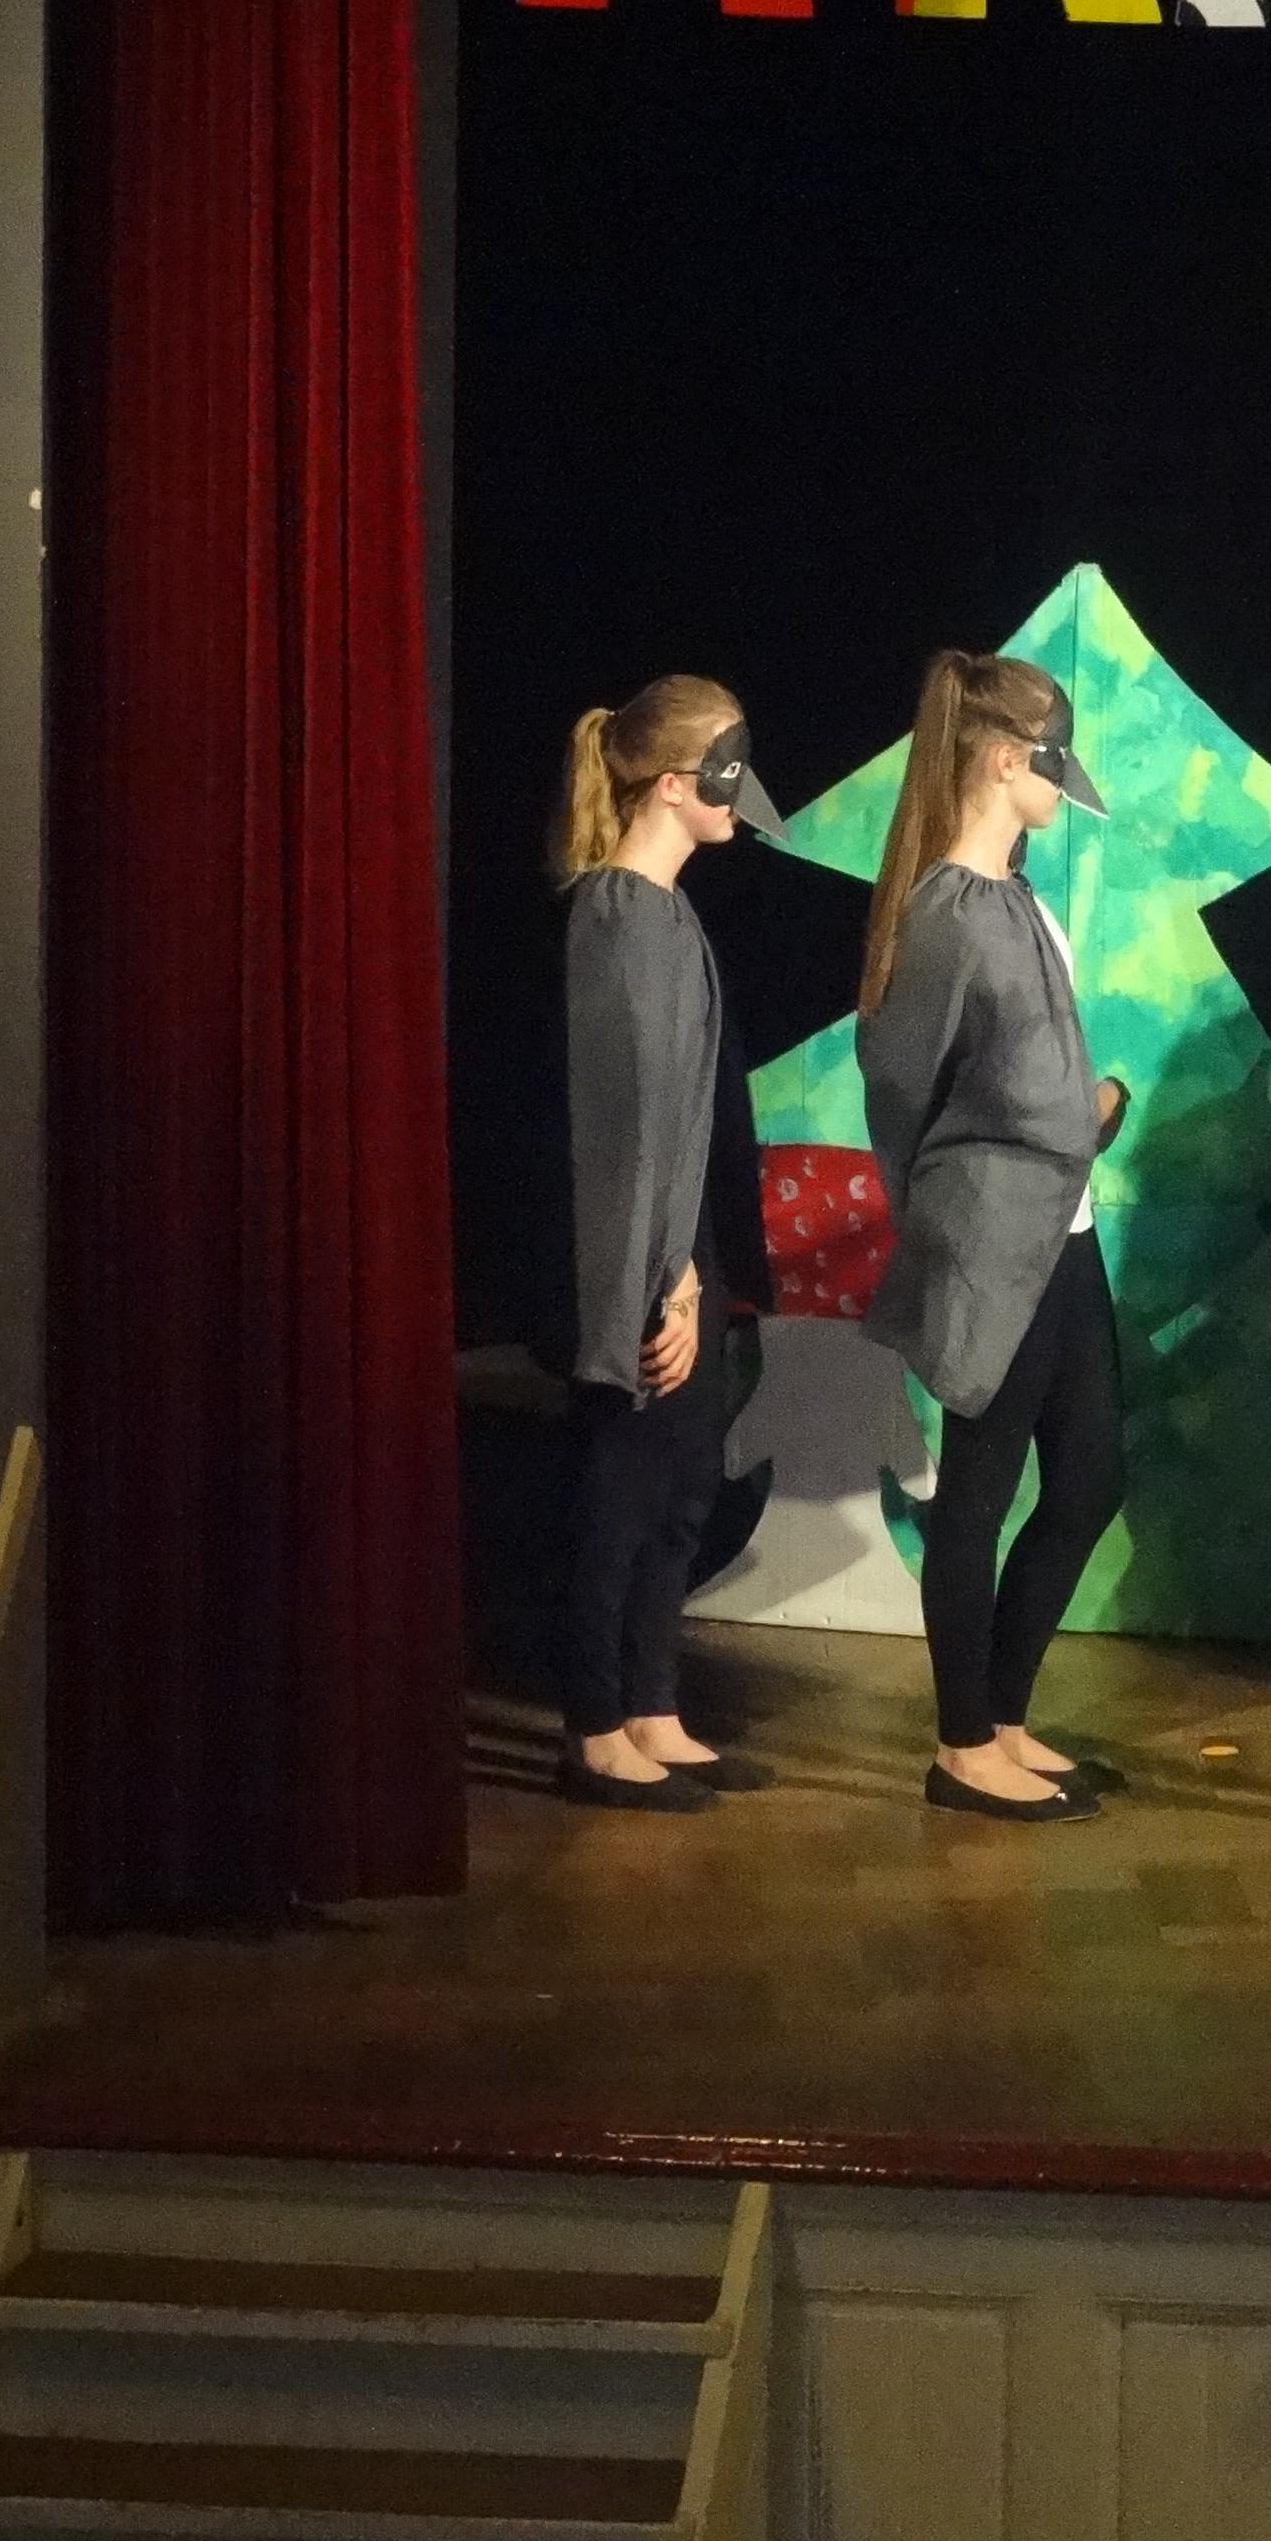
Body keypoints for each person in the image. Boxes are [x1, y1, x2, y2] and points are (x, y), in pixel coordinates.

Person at [859, 652, 1132, 1825]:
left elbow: (1039, 1075)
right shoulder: (946, 915)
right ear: (1008, 759)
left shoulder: (1020, 901)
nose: (1062, 786)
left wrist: (1088, 1115)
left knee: (1091, 1473)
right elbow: (900, 1085)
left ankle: (1005, 1717)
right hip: (993, 1246)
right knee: (979, 1492)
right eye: (1052, 763)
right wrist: (957, 1207)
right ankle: (963, 1746)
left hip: (1065, 1236)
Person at [553, 677, 785, 1813]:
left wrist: (699, 1263)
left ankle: (652, 1703)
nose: (740, 797)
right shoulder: (612, 915)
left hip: (686, 1232)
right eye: (726, 773)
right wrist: (665, 1280)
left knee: (687, 1481)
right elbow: (626, 1119)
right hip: (639, 1242)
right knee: (627, 1484)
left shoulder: (671, 913)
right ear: (672, 785)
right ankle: (595, 1728)